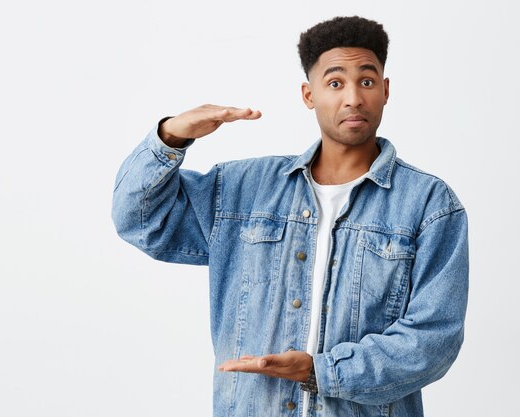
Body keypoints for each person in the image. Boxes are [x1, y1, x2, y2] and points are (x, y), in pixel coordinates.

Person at [112, 16, 468, 417]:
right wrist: (171, 137)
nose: (352, 98)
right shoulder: (244, 189)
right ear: (309, 94)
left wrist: (323, 372)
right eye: (335, 83)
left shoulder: (430, 204)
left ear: (385, 91)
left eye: (366, 82)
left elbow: (433, 339)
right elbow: (141, 221)